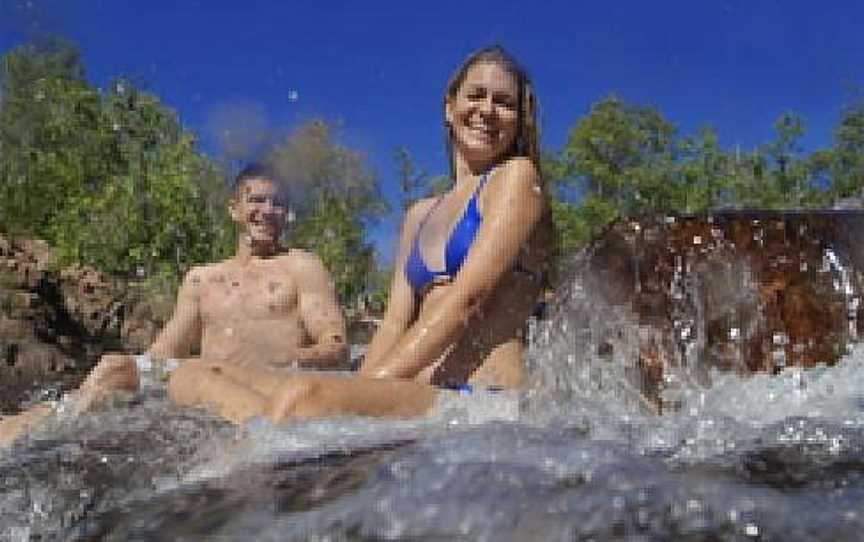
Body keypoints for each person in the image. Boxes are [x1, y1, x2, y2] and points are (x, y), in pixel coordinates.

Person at [167, 44, 552, 421]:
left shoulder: (516, 178)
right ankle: (264, 431)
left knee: (304, 399)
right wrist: (361, 384)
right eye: (476, 95)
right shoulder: (420, 214)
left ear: (519, 120)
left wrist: (371, 384)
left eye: (504, 102)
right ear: (450, 108)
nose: (487, 110)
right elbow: (395, 324)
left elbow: (467, 300)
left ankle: (270, 435)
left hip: (481, 396)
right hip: (412, 391)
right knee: (193, 376)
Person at [0, 164, 348, 446]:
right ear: (234, 210)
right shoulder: (201, 279)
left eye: (278, 203)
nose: (268, 211)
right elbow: (166, 350)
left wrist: (284, 360)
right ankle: (31, 434)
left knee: (197, 382)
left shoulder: (301, 266)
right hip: (203, 387)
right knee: (113, 367)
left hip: (264, 387)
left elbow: (336, 346)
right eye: (257, 200)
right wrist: (135, 371)